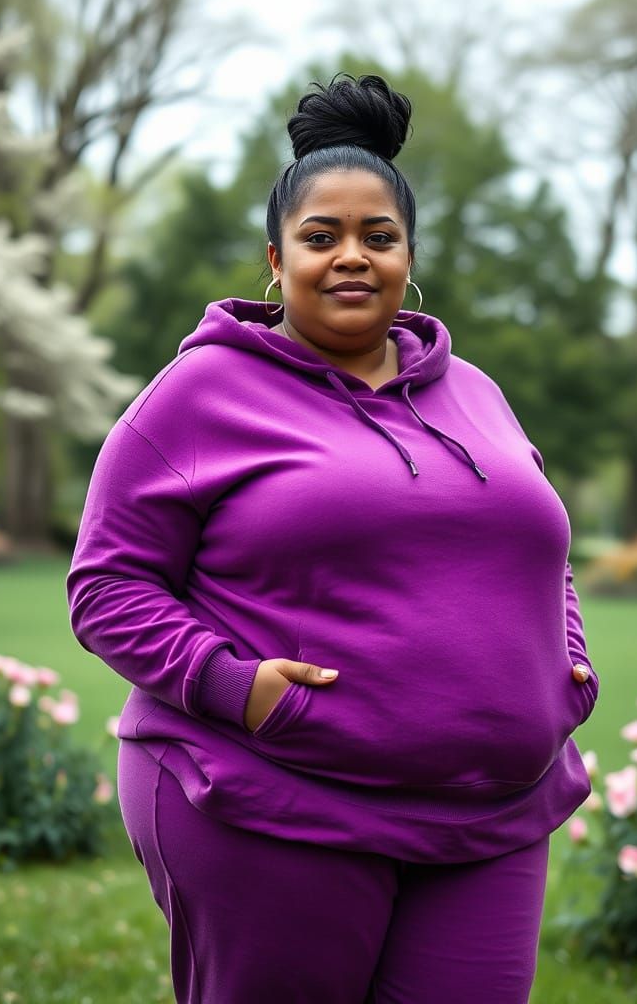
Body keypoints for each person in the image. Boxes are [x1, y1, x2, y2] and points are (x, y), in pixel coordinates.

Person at [67, 73, 598, 1004]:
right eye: (322, 237)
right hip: (272, 799)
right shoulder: (197, 397)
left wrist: (567, 661)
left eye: (378, 236)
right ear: (274, 260)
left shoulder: (474, 391)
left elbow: (536, 549)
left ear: (408, 255)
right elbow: (108, 588)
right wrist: (239, 688)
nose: (352, 257)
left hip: (492, 814)